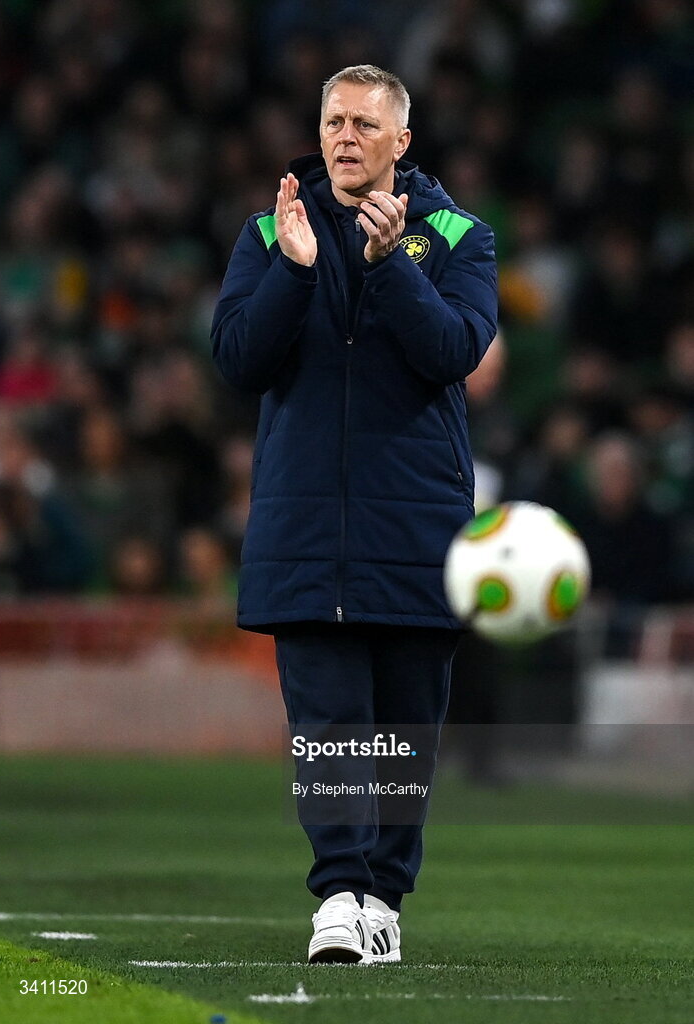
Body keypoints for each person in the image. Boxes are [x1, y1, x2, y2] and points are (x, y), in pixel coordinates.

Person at [211, 65, 497, 964]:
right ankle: (338, 893)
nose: (344, 137)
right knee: (328, 726)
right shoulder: (271, 231)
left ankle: (384, 902)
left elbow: (454, 349)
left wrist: (388, 270)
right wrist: (295, 274)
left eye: (364, 125)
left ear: (400, 142)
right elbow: (237, 361)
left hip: (416, 526)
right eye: (334, 120)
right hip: (305, 528)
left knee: (405, 734)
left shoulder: (457, 237)